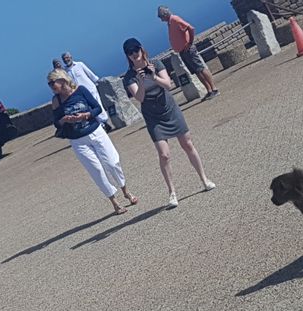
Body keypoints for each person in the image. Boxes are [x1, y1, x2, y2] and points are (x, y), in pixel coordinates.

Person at [122, 38, 215, 208]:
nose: (134, 54)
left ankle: (204, 179)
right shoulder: (129, 77)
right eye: (130, 52)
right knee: (164, 154)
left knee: (187, 144)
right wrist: (141, 81)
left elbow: (168, 85)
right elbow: (140, 97)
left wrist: (153, 77)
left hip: (169, 108)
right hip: (152, 114)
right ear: (127, 56)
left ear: (142, 50)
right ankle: (172, 192)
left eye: (136, 50)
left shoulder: (156, 64)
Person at [48, 68, 138, 214]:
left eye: (53, 82)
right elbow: (56, 123)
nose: (51, 86)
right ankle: (115, 203)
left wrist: (86, 115)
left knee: (112, 162)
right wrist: (64, 120)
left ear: (62, 80)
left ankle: (126, 191)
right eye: (49, 84)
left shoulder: (80, 91)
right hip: (78, 140)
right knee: (96, 170)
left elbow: (97, 108)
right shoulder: (56, 101)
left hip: (96, 132)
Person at [157, 5, 219, 100]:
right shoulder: (170, 23)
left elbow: (190, 28)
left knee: (201, 68)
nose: (160, 19)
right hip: (182, 51)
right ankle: (209, 90)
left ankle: (214, 89)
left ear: (164, 14)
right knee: (196, 71)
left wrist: (189, 43)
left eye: (160, 16)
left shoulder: (175, 19)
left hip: (188, 49)